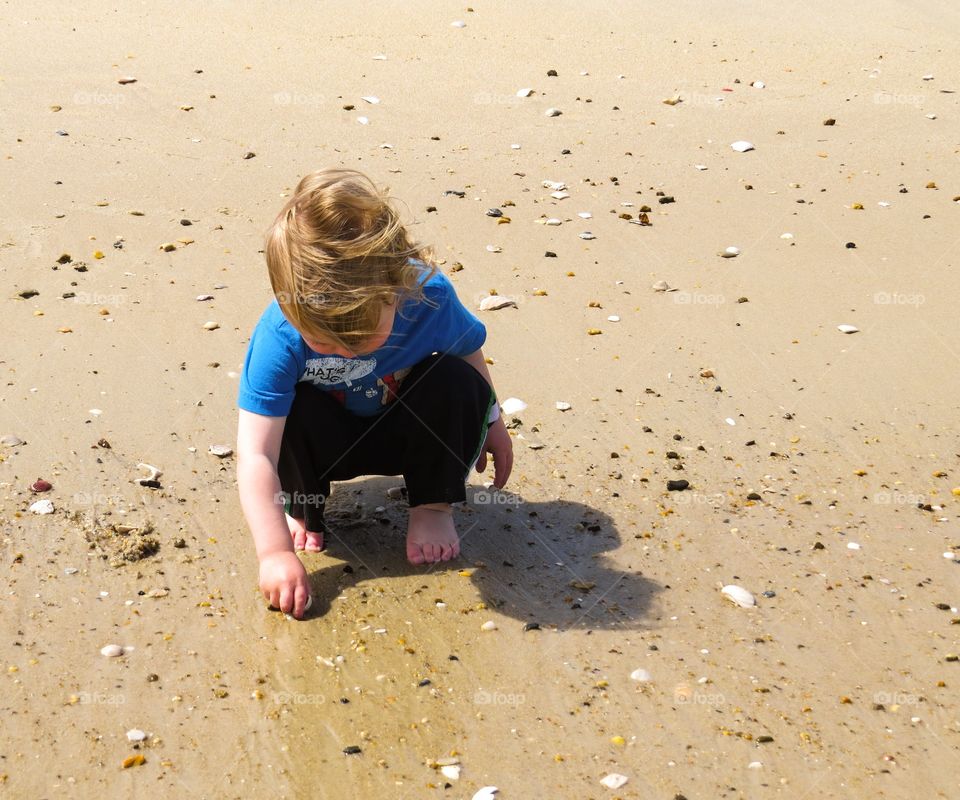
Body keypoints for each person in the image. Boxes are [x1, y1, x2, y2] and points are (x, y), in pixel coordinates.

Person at [236, 168, 513, 619]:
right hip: (327, 446)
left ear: (396, 289)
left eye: (362, 335)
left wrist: (493, 422)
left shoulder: (429, 297)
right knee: (287, 411)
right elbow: (255, 454)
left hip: (407, 436)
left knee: (454, 380)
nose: (345, 349)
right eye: (324, 339)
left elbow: (469, 356)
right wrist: (273, 552)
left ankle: (432, 505)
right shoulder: (280, 334)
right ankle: (303, 508)